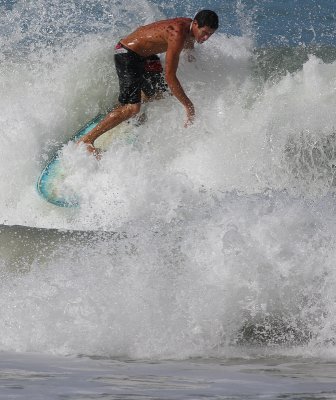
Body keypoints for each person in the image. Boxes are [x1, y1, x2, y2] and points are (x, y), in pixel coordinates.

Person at [78, 10, 219, 156]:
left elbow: (189, 46)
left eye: (210, 34)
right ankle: (86, 141)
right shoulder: (177, 34)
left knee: (160, 95)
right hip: (127, 53)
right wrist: (189, 106)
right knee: (132, 108)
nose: (206, 37)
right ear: (195, 24)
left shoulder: (190, 28)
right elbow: (170, 77)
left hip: (147, 56)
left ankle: (127, 106)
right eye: (205, 33)